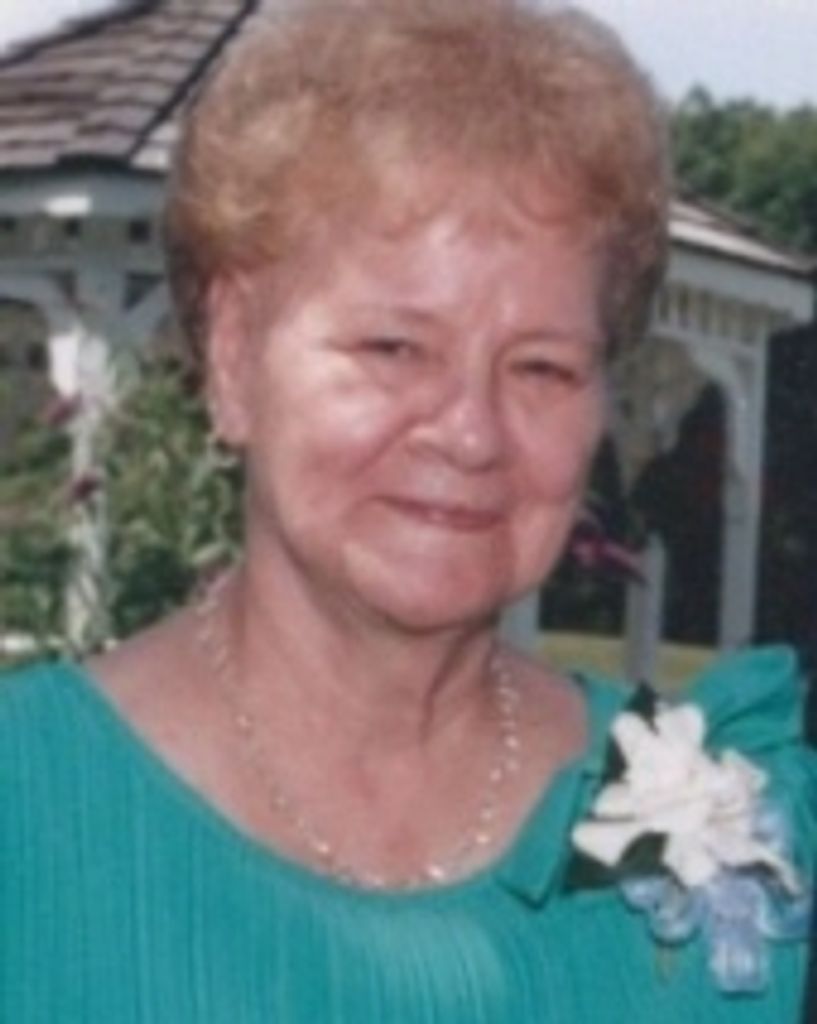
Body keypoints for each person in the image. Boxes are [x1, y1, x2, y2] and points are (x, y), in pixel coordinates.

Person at [2, 1, 814, 1021]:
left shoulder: (747, 847)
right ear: (234, 357)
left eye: (542, 368)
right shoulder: (25, 809)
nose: (470, 433)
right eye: (393, 349)